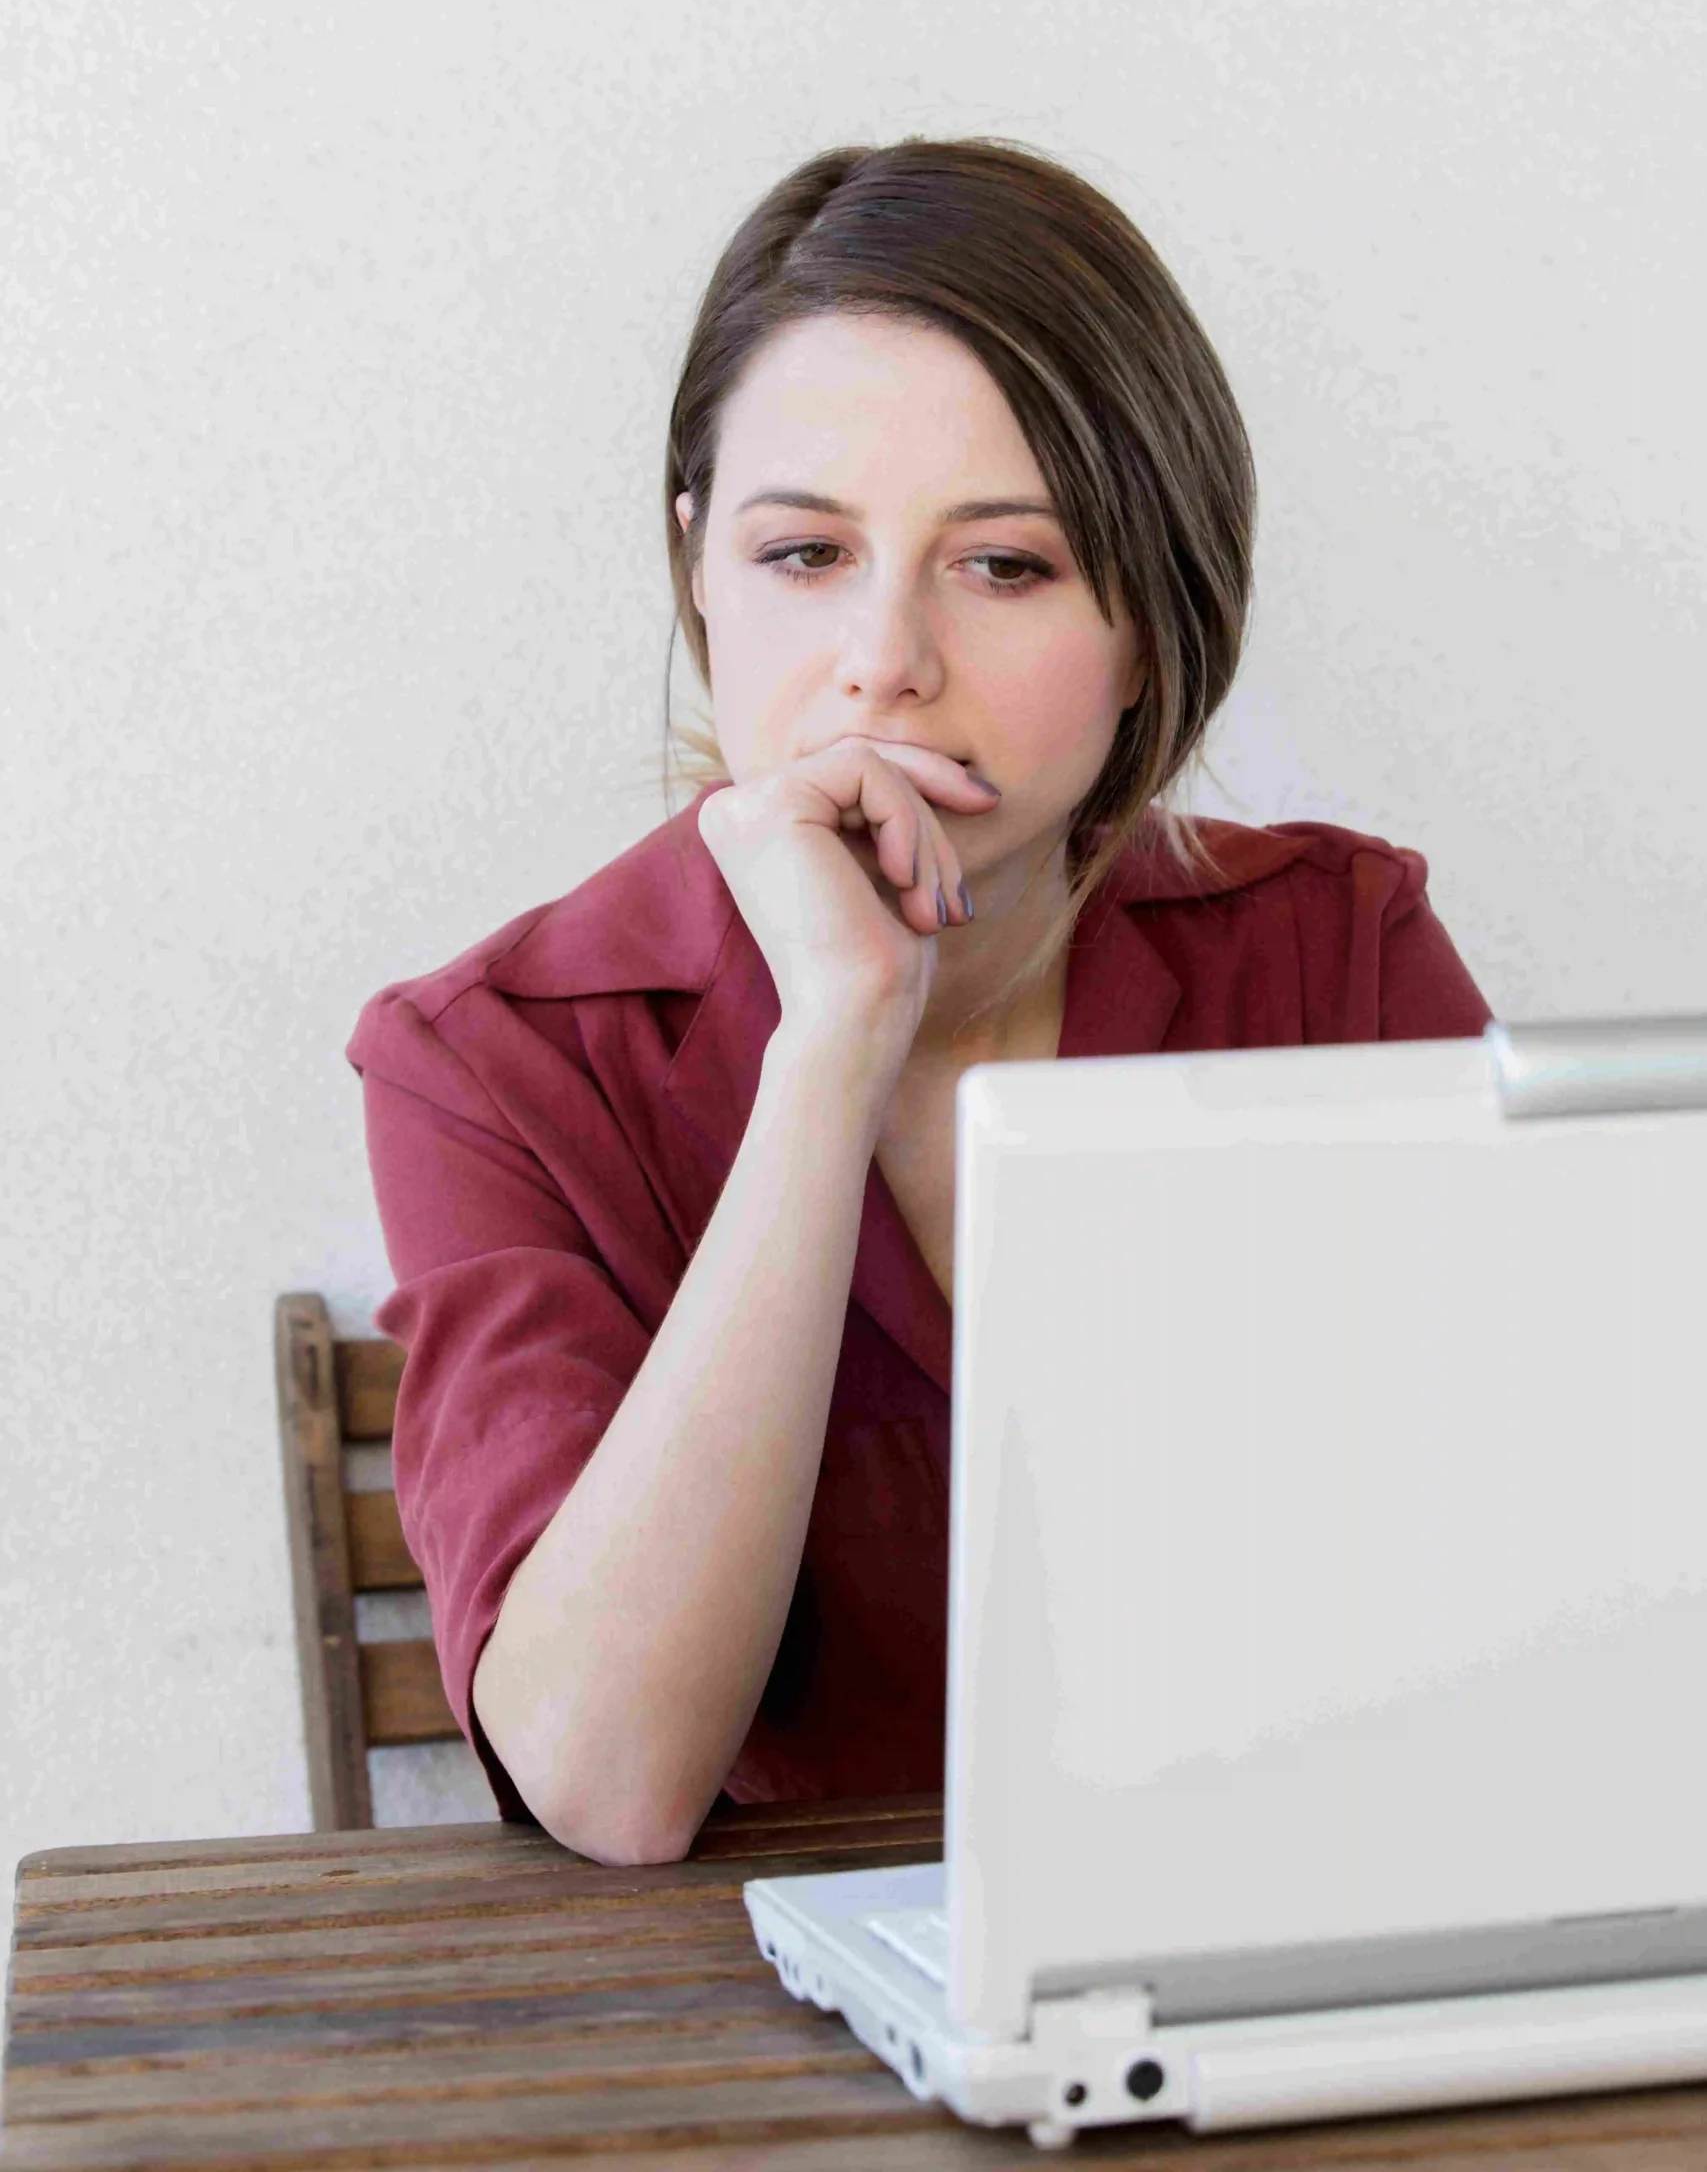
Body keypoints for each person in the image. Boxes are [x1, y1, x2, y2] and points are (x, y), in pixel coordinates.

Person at [347, 137, 1492, 1866]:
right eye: (804, 553)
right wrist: (832, 1045)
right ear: (697, 570)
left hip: (1267, 1922)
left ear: (1148, 616)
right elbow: (607, 1780)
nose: (885, 659)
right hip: (745, 2005)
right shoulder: (496, 1061)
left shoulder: (1333, 953)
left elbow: (1538, 1569)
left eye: (1005, 565)